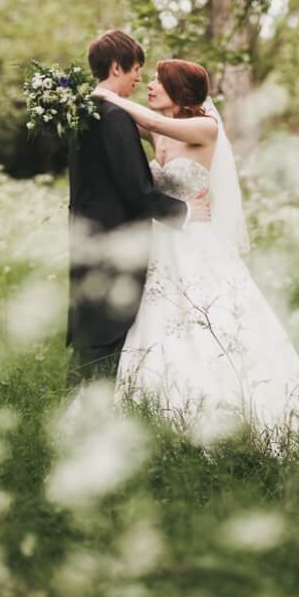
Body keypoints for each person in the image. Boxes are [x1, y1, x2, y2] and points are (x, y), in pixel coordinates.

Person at [94, 59, 299, 448]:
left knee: (212, 318)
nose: (149, 85)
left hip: (198, 243)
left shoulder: (204, 127)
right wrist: (89, 101)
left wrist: (105, 93)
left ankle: (225, 404)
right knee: (163, 317)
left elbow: (138, 115)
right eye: (148, 79)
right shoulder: (160, 134)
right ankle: (155, 403)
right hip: (166, 240)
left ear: (179, 91)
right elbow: (119, 122)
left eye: (158, 81)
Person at [65, 30, 211, 387]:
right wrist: (185, 212)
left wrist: (102, 95)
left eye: (157, 79)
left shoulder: (93, 111)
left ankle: (97, 394)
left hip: (110, 234)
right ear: (117, 67)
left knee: (113, 323)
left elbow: (155, 125)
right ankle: (92, 396)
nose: (142, 81)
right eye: (138, 71)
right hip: (122, 234)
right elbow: (137, 190)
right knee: (109, 325)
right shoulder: (112, 115)